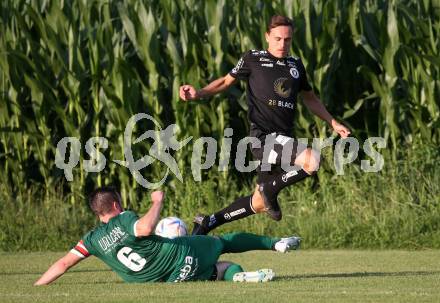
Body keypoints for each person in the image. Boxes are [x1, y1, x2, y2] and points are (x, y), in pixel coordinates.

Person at [179, 15, 350, 234]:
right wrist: (198, 93)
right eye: (277, 38)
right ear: (267, 36)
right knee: (312, 160)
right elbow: (225, 81)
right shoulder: (253, 59)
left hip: (282, 140)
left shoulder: (295, 65)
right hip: (263, 137)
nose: (282, 44)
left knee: (258, 203)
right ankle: (269, 188)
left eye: (287, 40)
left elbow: (310, 98)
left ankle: (209, 222)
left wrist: (333, 122)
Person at [34, 186, 301, 285]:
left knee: (222, 269)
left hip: (169, 279)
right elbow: (146, 228)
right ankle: (275, 243)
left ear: (97, 213)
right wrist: (157, 202)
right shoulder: (125, 218)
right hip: (180, 255)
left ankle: (239, 276)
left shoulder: (91, 240)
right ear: (115, 205)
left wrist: (38, 286)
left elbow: (63, 264)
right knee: (222, 242)